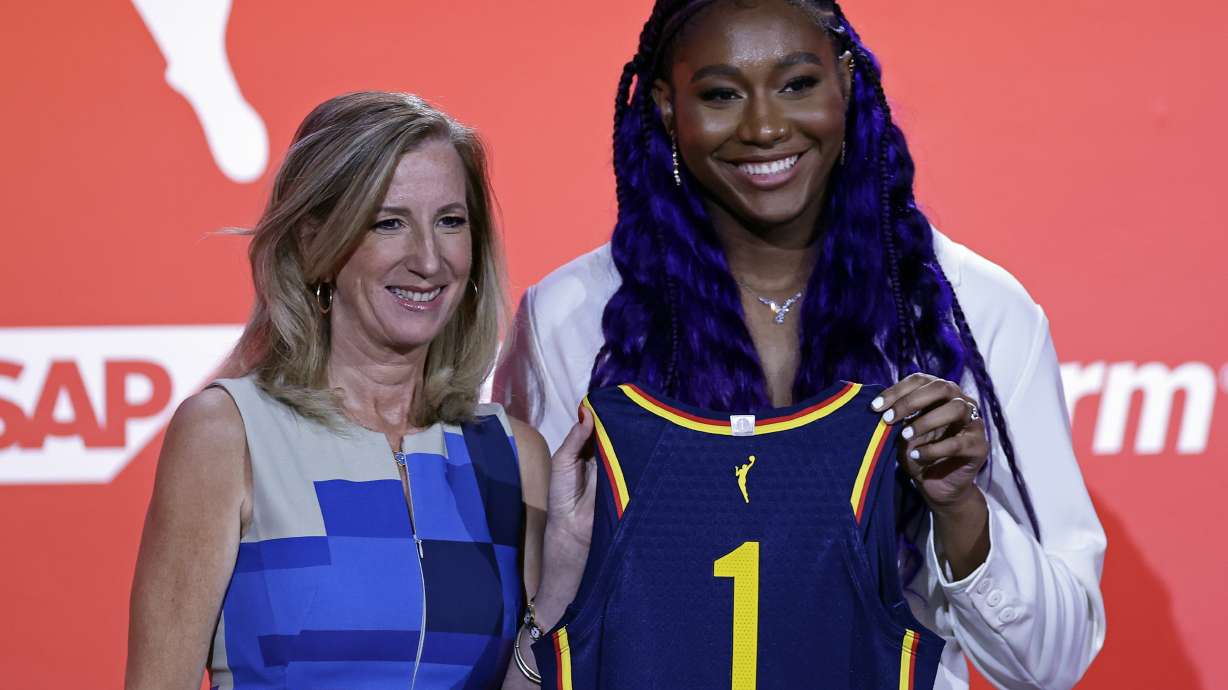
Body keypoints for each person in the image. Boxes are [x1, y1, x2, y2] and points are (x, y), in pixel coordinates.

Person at [494, 1, 1106, 688]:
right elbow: (534, 622)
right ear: (667, 106)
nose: (763, 127)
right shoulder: (572, 317)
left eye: (797, 84)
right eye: (721, 94)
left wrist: (960, 512)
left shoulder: (975, 312)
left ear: (846, 80)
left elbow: (1053, 662)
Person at [125, 91, 591, 690]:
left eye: (450, 221)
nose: (428, 259)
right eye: (388, 222)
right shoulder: (230, 435)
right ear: (316, 243)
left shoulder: (511, 456)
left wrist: (560, 582)